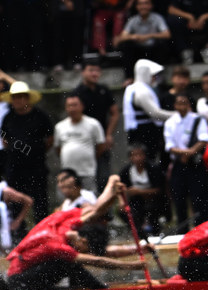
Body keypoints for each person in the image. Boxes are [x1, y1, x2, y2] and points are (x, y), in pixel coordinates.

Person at [5, 176, 149, 290]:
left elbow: (97, 211)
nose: (84, 252)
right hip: (19, 284)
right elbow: (97, 261)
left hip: (30, 274)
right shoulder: (58, 245)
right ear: (83, 239)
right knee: (68, 263)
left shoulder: (68, 224)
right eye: (86, 249)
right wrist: (131, 266)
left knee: (69, 264)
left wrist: (114, 191)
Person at [0, 81, 54, 222]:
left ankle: (42, 228)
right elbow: (4, 139)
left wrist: (34, 151)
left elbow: (49, 139)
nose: (17, 100)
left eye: (21, 97)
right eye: (14, 97)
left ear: (27, 98)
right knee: (15, 202)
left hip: (36, 167)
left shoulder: (40, 116)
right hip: (15, 168)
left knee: (40, 201)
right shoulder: (8, 117)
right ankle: (18, 230)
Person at [71, 60, 120, 189]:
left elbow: (115, 113)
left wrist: (108, 134)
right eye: (91, 70)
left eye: (97, 70)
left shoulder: (104, 90)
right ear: (83, 72)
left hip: (102, 141)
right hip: (84, 142)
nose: (95, 74)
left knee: (103, 179)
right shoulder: (76, 93)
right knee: (84, 181)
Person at [164, 93, 208, 228]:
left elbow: (203, 139)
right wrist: (184, 153)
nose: (182, 106)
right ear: (174, 105)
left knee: (199, 198)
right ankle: (182, 230)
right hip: (179, 163)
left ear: (189, 105)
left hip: (195, 163)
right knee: (179, 199)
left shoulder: (197, 120)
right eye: (179, 103)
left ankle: (201, 229)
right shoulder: (170, 122)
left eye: (185, 103)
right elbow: (169, 146)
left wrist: (190, 152)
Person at [123, 59, 175, 167]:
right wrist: (177, 115)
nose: (154, 78)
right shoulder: (141, 91)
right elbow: (155, 113)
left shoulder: (133, 88)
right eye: (152, 75)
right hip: (144, 132)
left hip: (140, 131)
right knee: (147, 161)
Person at [55, 95, 106, 193]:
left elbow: (101, 146)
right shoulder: (60, 127)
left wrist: (88, 156)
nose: (72, 108)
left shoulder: (93, 124)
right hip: (67, 174)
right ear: (66, 108)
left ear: (82, 106)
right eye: (69, 106)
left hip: (87, 172)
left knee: (89, 199)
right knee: (68, 200)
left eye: (75, 105)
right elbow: (58, 148)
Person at [118, 143, 168, 233]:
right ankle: (138, 232)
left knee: (154, 212)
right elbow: (120, 187)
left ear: (145, 155)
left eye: (140, 155)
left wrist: (140, 191)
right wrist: (122, 201)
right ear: (130, 157)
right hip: (136, 201)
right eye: (134, 155)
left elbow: (160, 189)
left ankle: (155, 230)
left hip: (154, 200)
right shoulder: (126, 171)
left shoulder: (153, 168)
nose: (137, 158)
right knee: (126, 212)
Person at [115, 0, 171, 79]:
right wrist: (134, 36)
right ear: (136, 7)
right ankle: (129, 78)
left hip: (153, 50)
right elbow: (122, 37)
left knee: (163, 44)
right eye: (140, 4)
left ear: (151, 6)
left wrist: (149, 36)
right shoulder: (133, 20)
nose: (143, 6)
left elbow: (167, 34)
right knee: (126, 46)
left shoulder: (157, 18)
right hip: (138, 51)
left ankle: (156, 76)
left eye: (146, 3)